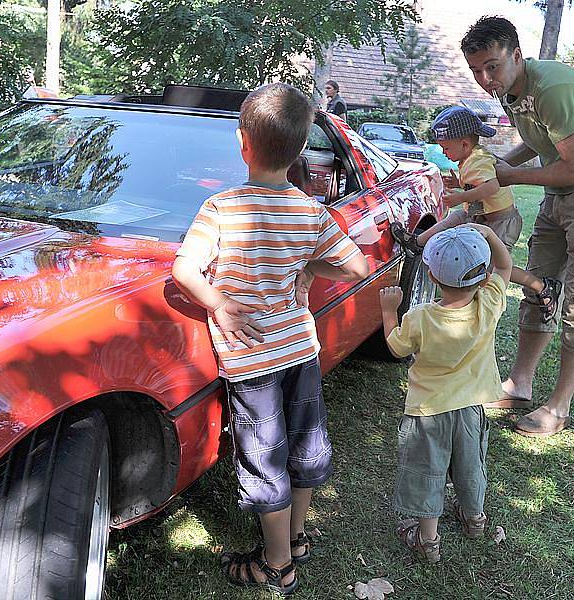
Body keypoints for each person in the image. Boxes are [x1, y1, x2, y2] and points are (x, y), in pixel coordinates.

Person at [171, 82, 369, 595]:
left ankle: (277, 564)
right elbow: (356, 265)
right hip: (300, 351)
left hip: (252, 361)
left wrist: (219, 302)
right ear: (301, 150)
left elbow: (184, 269)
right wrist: (308, 265)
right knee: (304, 445)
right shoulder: (310, 211)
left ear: (243, 144)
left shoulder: (222, 209)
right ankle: (296, 538)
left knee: (264, 456)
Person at [461, 16, 574, 436]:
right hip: (561, 195)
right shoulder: (510, 90)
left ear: (517, 56)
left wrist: (511, 176)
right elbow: (543, 141)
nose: (485, 79)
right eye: (476, 70)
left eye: (492, 66)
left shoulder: (552, 88)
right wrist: (507, 162)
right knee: (540, 283)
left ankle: (558, 406)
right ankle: (520, 382)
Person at [379, 224, 512, 562]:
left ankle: (428, 541)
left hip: (427, 413)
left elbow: (396, 348)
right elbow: (506, 266)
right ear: (482, 279)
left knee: (429, 471)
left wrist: (387, 311)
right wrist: (489, 233)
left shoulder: (420, 317)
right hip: (470, 409)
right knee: (470, 466)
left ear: (433, 277)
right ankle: (474, 520)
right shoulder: (488, 304)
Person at [390, 105, 561, 322]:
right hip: (480, 215)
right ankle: (417, 242)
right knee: (455, 218)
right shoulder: (468, 158)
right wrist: (459, 185)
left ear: (464, 144)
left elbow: (491, 187)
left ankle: (542, 286)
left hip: (500, 221)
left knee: (494, 267)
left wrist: (461, 197)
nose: (443, 152)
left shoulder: (478, 160)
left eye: (446, 148)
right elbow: (478, 186)